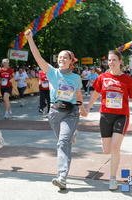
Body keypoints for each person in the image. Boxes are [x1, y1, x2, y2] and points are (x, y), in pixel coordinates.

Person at [25, 29, 87, 190]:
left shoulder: (75, 78)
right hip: (54, 113)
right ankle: (72, 135)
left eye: (64, 57)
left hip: (71, 112)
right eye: (59, 57)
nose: (61, 59)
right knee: (65, 141)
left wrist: (82, 108)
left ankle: (62, 177)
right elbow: (38, 57)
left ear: (71, 61)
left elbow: (79, 93)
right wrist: (30, 39)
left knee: (62, 142)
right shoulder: (52, 72)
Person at [85, 50, 132, 190]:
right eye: (109, 60)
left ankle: (112, 178)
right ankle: (113, 171)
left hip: (121, 116)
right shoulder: (102, 77)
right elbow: (95, 93)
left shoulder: (127, 79)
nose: (111, 62)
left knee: (115, 147)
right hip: (105, 115)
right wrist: (88, 108)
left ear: (120, 61)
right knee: (107, 150)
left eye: (114, 60)